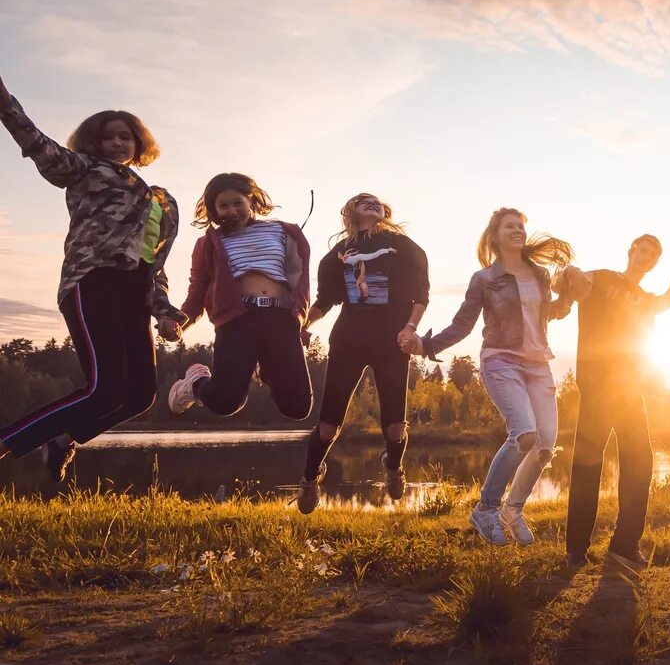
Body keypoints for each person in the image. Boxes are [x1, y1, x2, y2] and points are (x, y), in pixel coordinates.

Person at [0, 74, 184, 480]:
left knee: (139, 396)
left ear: (139, 144)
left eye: (125, 137)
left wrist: (165, 312)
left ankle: (63, 440)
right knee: (104, 389)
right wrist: (6, 104)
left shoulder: (162, 201)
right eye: (108, 138)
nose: (117, 144)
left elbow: (155, 262)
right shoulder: (85, 170)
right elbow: (38, 145)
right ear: (94, 143)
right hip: (93, 282)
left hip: (136, 294)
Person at [403, 208, 574, 546]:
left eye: (522, 226)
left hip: (539, 365)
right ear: (494, 236)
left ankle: (513, 510)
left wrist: (568, 294)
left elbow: (549, 314)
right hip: (501, 361)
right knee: (524, 435)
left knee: (544, 446)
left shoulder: (539, 274)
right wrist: (425, 345)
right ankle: (486, 509)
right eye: (511, 226)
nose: (519, 231)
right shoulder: (484, 279)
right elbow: (463, 324)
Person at [295, 193, 429, 514]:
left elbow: (420, 296)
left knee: (395, 428)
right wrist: (301, 321)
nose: (371, 202)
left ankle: (394, 467)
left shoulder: (405, 248)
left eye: (375, 200)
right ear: (349, 213)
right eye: (361, 200)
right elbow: (325, 302)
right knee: (328, 427)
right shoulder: (336, 255)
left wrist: (409, 329)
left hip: (391, 343)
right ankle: (310, 478)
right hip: (348, 342)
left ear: (385, 210)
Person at [561, 234, 670, 570]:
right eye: (643, 250)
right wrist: (570, 272)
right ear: (631, 252)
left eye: (653, 255)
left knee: (641, 461)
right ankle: (576, 551)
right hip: (598, 387)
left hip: (630, 390)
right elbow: (569, 284)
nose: (647, 257)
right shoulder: (602, 277)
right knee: (587, 465)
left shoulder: (644, 298)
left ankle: (624, 545)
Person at [167, 173, 313, 421]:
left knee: (298, 408)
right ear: (214, 210)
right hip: (238, 320)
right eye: (223, 205)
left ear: (251, 201)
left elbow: (298, 279)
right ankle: (195, 384)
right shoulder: (209, 244)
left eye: (238, 203)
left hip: (280, 320)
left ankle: (266, 365)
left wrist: (301, 318)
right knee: (226, 403)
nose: (232, 210)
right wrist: (179, 322)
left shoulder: (282, 231)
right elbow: (197, 290)